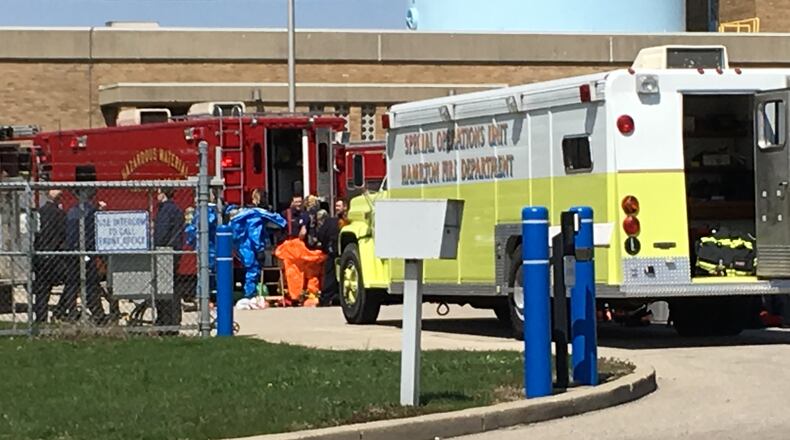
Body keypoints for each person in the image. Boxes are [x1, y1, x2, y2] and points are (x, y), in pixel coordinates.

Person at [60, 189, 106, 323]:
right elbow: (94, 231)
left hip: (72, 252)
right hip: (86, 253)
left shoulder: (72, 211)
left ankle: (70, 310)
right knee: (91, 283)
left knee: (72, 284)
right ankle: (97, 312)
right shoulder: (91, 211)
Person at [32, 190, 66, 323]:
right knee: (72, 281)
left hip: (40, 256)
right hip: (55, 257)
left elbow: (34, 235)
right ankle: (60, 310)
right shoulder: (60, 215)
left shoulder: (39, 213)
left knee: (42, 290)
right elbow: (63, 235)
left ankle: (40, 319)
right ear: (58, 199)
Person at [153, 188, 184, 330]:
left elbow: (161, 234)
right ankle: (174, 320)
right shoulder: (176, 209)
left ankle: (165, 321)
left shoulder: (165, 210)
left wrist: (154, 246)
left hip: (164, 252)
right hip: (175, 251)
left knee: (163, 289)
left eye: (158, 192)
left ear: (163, 193)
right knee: (173, 287)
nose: (156, 195)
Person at [315, 209, 341, 306]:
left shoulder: (331, 221)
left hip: (335, 250)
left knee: (331, 274)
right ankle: (330, 297)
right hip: (335, 250)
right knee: (332, 274)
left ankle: (327, 298)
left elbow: (321, 235)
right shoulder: (332, 221)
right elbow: (322, 235)